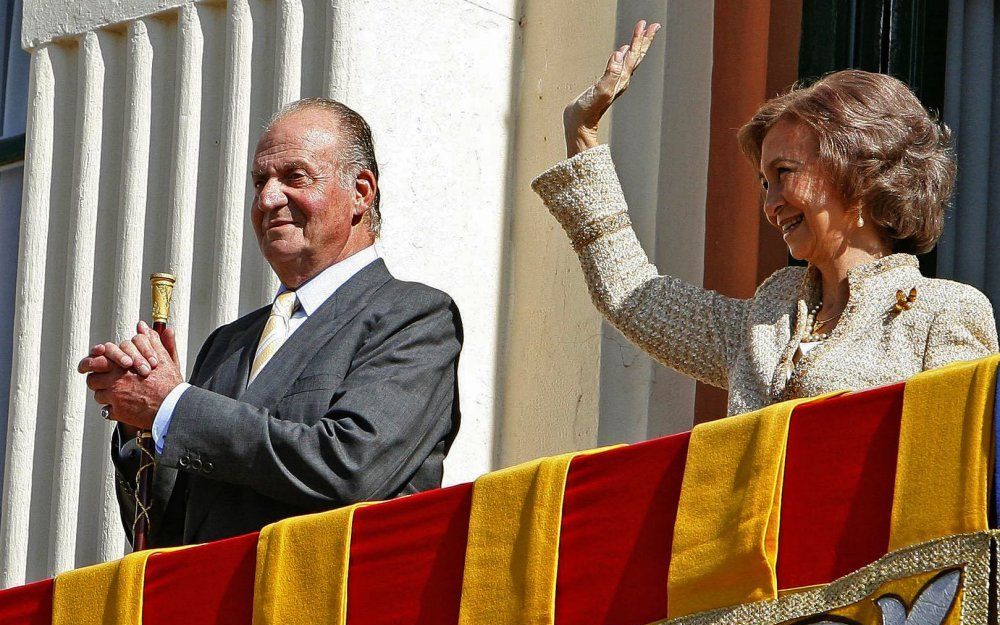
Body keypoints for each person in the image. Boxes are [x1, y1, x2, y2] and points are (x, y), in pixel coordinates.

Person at [531, 21, 998, 416]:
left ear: (860, 174)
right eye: (763, 182)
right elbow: (633, 296)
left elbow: (955, 490)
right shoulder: (765, 321)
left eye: (785, 173)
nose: (770, 203)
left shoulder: (943, 313)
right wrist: (581, 133)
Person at [78, 98, 463, 546]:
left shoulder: (413, 316)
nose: (267, 199)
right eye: (260, 181)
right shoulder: (229, 344)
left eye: (294, 177)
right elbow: (175, 530)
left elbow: (350, 466)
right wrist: (143, 424)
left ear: (361, 192)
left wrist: (175, 406)